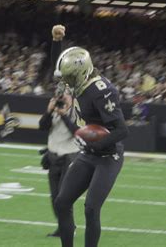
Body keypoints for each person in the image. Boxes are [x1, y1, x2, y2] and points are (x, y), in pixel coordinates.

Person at [51, 24, 129, 247]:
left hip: (108, 155)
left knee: (91, 208)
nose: (67, 83)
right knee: (62, 202)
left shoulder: (102, 91)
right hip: (89, 152)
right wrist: (57, 43)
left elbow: (123, 131)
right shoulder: (78, 80)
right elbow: (59, 73)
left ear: (82, 73)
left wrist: (97, 144)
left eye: (71, 78)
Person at [39, 83, 79, 238]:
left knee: (64, 197)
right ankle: (63, 227)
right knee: (55, 197)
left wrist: (63, 114)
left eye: (66, 94)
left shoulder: (76, 112)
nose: (62, 97)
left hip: (69, 157)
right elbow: (42, 126)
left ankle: (69, 228)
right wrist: (49, 111)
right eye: (60, 95)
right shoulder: (55, 110)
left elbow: (77, 132)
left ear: (72, 97)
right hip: (53, 157)